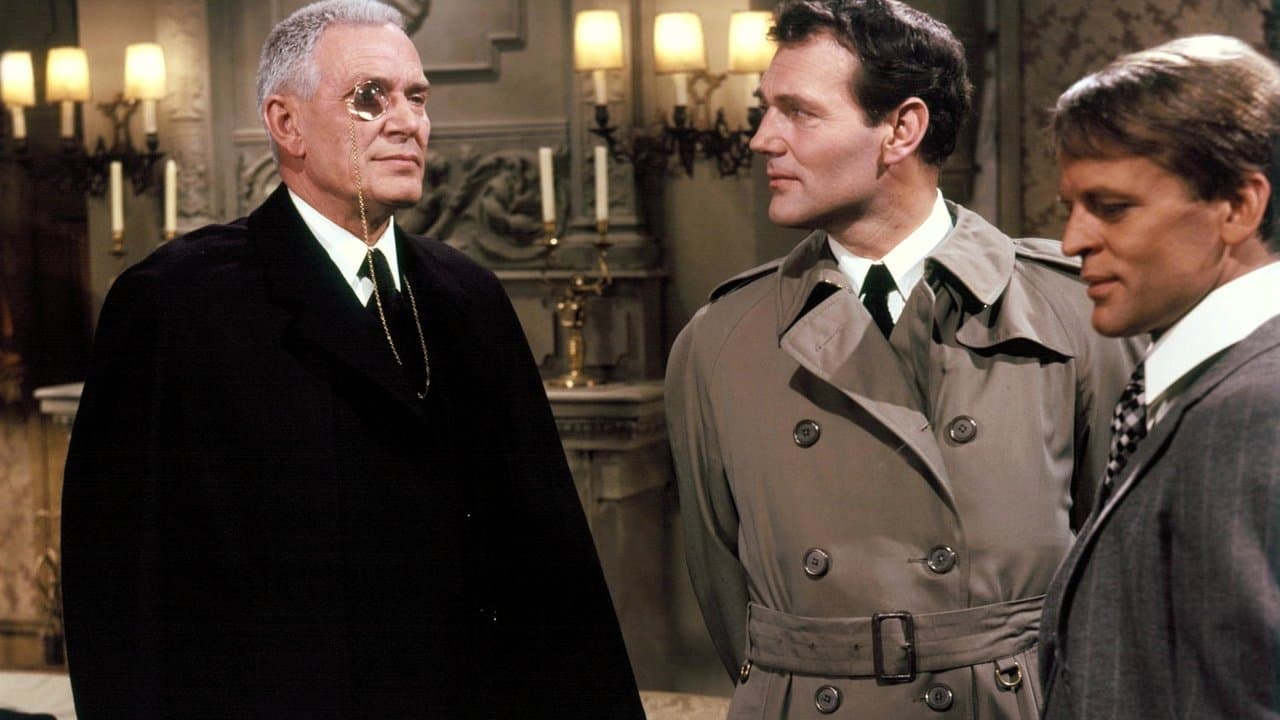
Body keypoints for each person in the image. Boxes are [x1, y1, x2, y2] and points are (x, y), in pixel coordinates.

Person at [59, 2, 644, 718]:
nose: (407, 122)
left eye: (416, 97)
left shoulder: (469, 296)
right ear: (287, 124)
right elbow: (119, 589)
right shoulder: (175, 304)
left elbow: (553, 566)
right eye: (371, 97)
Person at [664, 1, 1139, 717]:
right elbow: (728, 597)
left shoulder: (1075, 314)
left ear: (901, 129)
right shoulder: (719, 340)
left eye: (799, 113)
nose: (762, 138)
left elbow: (1121, 576)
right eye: (766, 110)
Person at [1039, 34, 1280, 719]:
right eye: (1071, 206)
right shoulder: (1208, 385)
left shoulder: (1254, 408)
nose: (1073, 240)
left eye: (1112, 207)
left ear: (1238, 206)